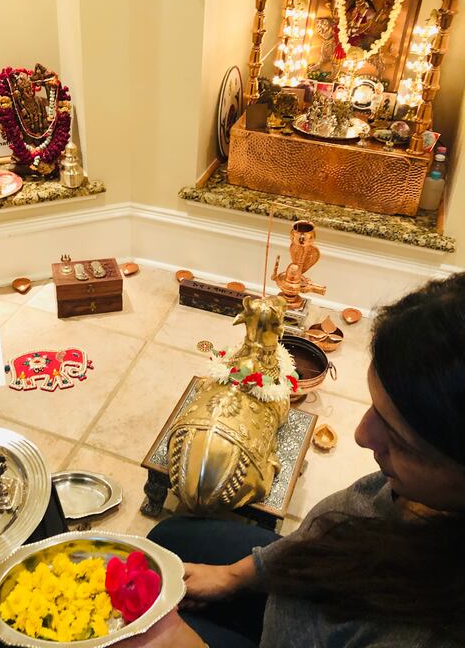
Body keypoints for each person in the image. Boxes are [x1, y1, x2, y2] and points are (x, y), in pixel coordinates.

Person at [124, 273, 465, 647]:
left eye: (401, 441)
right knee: (167, 539)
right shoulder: (425, 493)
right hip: (298, 592)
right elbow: (327, 537)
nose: (362, 437)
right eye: (376, 408)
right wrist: (235, 576)